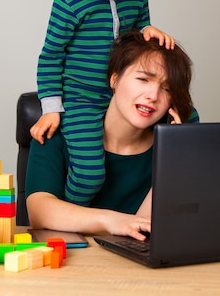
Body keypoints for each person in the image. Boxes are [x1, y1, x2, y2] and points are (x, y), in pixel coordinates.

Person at [31, 0, 176, 208]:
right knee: (89, 174)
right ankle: (73, 219)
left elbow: (140, 32)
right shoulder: (68, 2)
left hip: (125, 92)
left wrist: (150, 30)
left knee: (189, 118)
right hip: (82, 99)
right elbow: (50, 57)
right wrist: (52, 107)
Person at [26, 31, 194, 240]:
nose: (153, 96)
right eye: (143, 79)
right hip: (67, 265)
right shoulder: (56, 132)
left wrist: (171, 160)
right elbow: (39, 211)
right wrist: (112, 221)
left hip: (132, 268)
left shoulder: (171, 152)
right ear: (114, 79)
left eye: (167, 89)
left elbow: (143, 232)